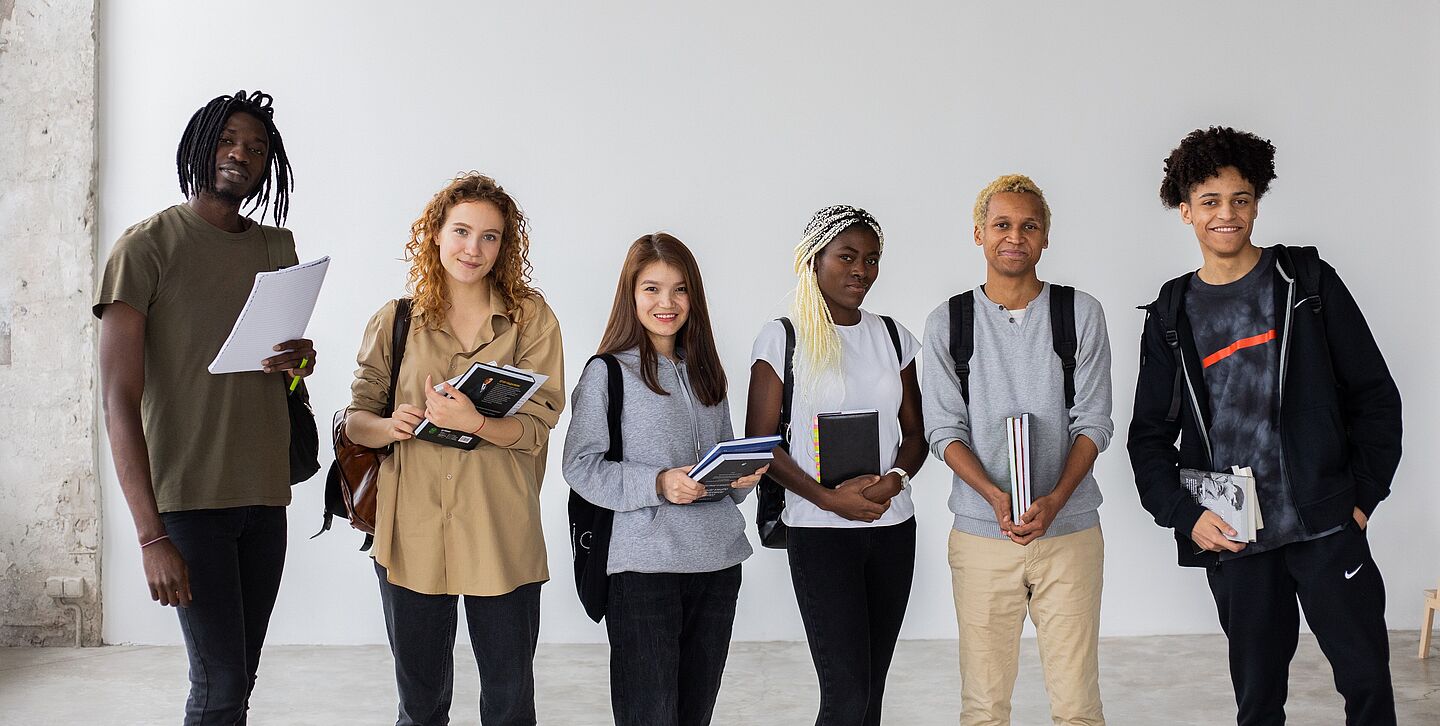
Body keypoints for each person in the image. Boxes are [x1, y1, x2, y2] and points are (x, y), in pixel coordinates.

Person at [1128, 126, 1402, 725]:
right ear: (1185, 212)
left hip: (1325, 527)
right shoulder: (1172, 313)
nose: (1227, 215)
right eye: (1210, 202)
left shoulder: (1305, 283)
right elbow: (1147, 438)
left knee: (1367, 685)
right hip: (1238, 539)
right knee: (1257, 705)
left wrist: (1360, 502)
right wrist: (1186, 517)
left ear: (1256, 203)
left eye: (1241, 200)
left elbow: (1376, 398)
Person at [96, 89, 312, 725]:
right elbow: (117, 399)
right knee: (217, 687)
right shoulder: (146, 249)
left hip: (265, 496)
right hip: (188, 503)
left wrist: (297, 363)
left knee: (234, 683)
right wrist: (149, 535)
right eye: (227, 140)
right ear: (199, 144)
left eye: (256, 147)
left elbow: (285, 378)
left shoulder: (278, 248)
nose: (240, 154)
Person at [344, 173, 565, 726]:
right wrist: (392, 425)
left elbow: (539, 426)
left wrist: (475, 423)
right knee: (419, 709)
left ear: (504, 246)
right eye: (462, 231)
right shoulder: (395, 320)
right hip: (410, 532)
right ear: (435, 235)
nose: (474, 249)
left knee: (510, 706)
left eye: (490, 237)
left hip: (499, 527)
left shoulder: (530, 319)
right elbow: (355, 422)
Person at [922, 174, 1113, 726]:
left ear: (1046, 236)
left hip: (1070, 531)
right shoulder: (948, 322)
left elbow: (1094, 422)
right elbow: (943, 429)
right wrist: (993, 496)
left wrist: (1054, 499)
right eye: (1001, 224)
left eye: (1029, 225)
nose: (1014, 236)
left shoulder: (1080, 315)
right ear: (978, 234)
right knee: (983, 706)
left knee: (1078, 705)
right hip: (982, 536)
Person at [562, 232, 765, 726]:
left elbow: (716, 463)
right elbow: (580, 467)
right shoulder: (606, 373)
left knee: (695, 716)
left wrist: (741, 480)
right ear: (630, 295)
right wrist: (658, 483)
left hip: (718, 566)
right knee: (650, 717)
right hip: (643, 571)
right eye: (651, 289)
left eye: (679, 289)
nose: (666, 303)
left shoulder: (707, 372)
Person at [745, 205, 926, 726]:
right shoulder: (783, 336)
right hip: (820, 532)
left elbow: (914, 434)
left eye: (871, 260)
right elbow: (760, 443)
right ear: (813, 259)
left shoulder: (894, 336)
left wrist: (893, 482)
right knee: (845, 696)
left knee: (870, 693)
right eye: (847, 256)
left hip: (892, 528)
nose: (861, 271)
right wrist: (828, 498)